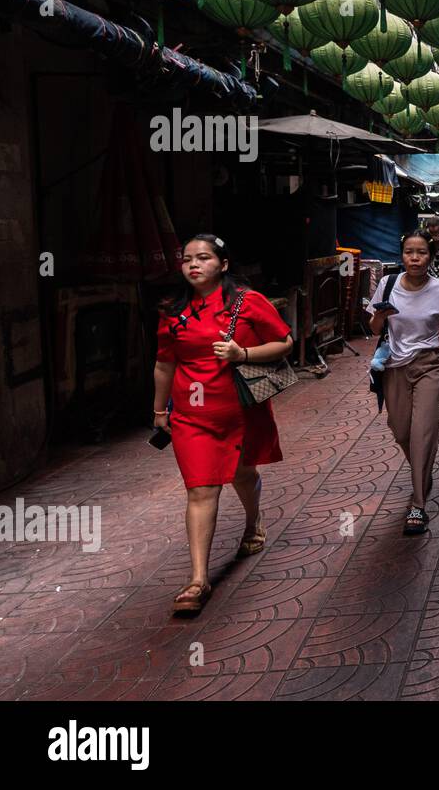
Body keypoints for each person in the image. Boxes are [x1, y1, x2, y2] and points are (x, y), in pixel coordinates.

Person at [153, 234, 294, 614]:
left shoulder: (247, 302)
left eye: (203, 258)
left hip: (241, 410)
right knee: (200, 489)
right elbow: (165, 363)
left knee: (242, 473)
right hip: (191, 417)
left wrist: (241, 352)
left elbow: (284, 342)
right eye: (186, 260)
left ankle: (253, 522)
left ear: (224, 264)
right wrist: (159, 411)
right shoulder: (171, 311)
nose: (193, 265)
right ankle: (198, 579)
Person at [367, 230, 439, 535]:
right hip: (394, 368)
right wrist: (381, 315)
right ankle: (422, 472)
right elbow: (374, 329)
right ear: (402, 255)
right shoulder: (387, 285)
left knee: (423, 432)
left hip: (429, 366)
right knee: (401, 431)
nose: (415, 258)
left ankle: (418, 503)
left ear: (431, 256)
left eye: (421, 253)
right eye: (409, 252)